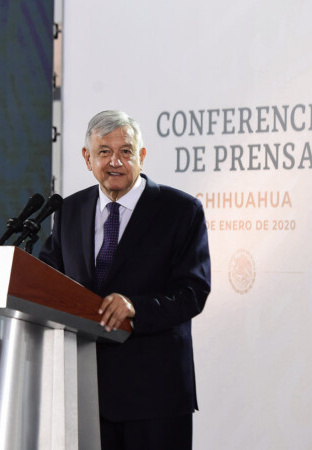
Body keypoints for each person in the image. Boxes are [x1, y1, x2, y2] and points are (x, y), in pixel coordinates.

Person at [38, 110, 211, 449]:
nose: (115, 161)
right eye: (104, 152)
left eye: (126, 151)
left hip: (154, 396)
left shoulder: (181, 211)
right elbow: (47, 281)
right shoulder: (68, 211)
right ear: (87, 158)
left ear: (141, 156)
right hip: (83, 393)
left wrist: (136, 307)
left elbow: (193, 292)